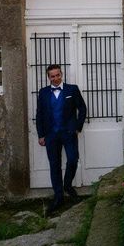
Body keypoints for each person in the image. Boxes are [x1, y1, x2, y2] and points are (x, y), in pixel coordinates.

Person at [36, 64, 87, 215]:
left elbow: (82, 108)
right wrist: (41, 135)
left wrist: (78, 127)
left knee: (72, 159)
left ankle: (67, 185)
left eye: (58, 75)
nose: (56, 78)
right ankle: (58, 197)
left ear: (61, 74)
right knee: (54, 165)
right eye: (52, 76)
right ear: (49, 77)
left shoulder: (72, 89)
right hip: (51, 135)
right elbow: (39, 114)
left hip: (69, 132)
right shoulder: (43, 92)